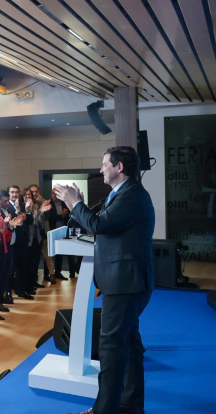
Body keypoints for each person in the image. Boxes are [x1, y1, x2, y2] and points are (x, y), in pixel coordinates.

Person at [57, 147, 155, 414]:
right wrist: (79, 205)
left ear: (119, 167)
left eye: (104, 164)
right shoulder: (124, 193)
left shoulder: (131, 194)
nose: (101, 169)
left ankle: (105, 411)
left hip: (125, 284)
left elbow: (98, 226)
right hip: (127, 281)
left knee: (111, 348)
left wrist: (73, 203)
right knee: (129, 343)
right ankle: (129, 405)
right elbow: (104, 224)